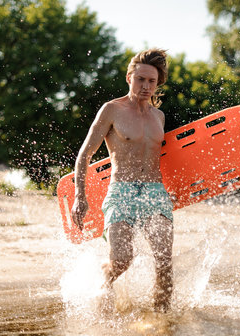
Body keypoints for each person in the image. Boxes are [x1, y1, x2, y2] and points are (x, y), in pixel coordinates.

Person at [71, 48, 174, 312]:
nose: (146, 86)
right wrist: (79, 196)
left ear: (157, 83)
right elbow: (85, 154)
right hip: (121, 192)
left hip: (154, 192)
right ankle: (103, 284)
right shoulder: (112, 110)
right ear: (129, 78)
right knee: (121, 260)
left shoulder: (158, 117)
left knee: (164, 261)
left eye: (151, 81)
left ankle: (162, 324)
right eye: (140, 79)